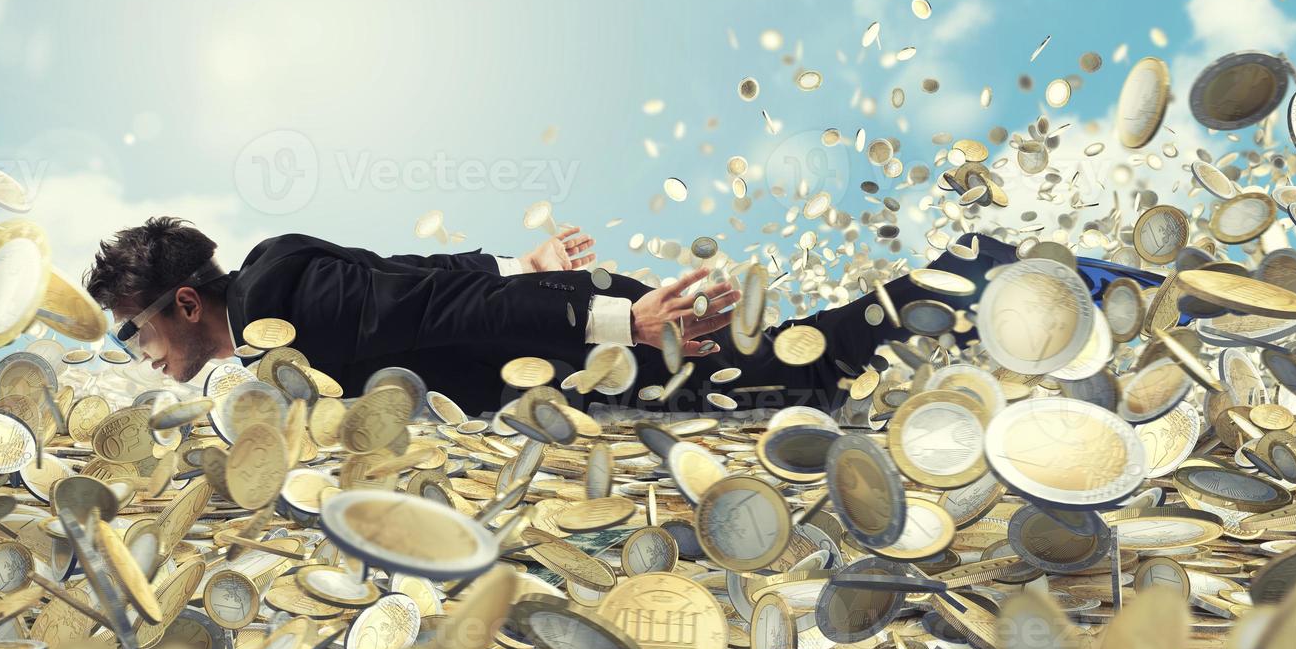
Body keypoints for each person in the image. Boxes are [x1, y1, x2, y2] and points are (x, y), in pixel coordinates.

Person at [83, 217, 1156, 416]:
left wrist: (616, 319)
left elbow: (436, 302)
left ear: (185, 300)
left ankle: (1003, 269)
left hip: (595, 341)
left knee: (811, 369)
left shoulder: (279, 296)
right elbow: (412, 272)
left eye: (138, 330)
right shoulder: (286, 309)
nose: (143, 354)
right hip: (573, 328)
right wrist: (522, 253)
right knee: (804, 375)